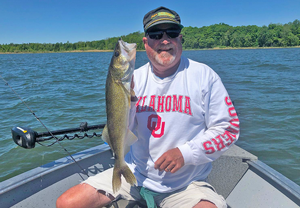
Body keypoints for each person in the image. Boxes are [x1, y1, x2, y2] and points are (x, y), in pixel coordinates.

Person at [56, 6, 239, 208]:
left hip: (184, 185)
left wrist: (184, 153)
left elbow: (228, 129)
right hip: (134, 174)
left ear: (180, 38)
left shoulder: (205, 76)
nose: (164, 40)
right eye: (155, 34)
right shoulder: (134, 79)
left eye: (172, 32)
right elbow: (121, 128)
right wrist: (130, 100)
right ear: (146, 42)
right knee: (67, 203)